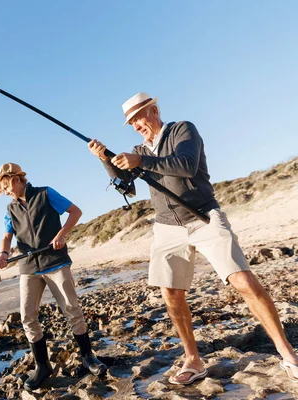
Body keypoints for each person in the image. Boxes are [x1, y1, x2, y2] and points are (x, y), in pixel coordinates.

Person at [87, 92, 298, 385]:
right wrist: (106, 160)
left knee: (243, 281)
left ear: (154, 110)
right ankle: (193, 360)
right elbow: (127, 187)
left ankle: (287, 353)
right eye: (131, 122)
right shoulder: (138, 149)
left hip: (203, 216)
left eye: (139, 117)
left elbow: (185, 165)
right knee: (171, 293)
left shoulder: (183, 130)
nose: (136, 125)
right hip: (166, 227)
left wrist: (141, 160)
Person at [0, 162, 107, 390]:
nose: (5, 192)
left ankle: (88, 357)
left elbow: (75, 211)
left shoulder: (46, 193)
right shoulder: (10, 209)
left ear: (16, 179)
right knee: (27, 316)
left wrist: (61, 235)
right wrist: (4, 253)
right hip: (28, 266)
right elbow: (7, 236)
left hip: (55, 262)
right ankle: (42, 366)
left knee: (72, 309)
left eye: (5, 187)